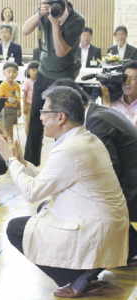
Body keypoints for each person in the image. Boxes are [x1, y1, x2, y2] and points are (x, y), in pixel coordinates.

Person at [0, 86, 129, 298]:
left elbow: (31, 192)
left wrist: (10, 160)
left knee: (16, 229)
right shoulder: (86, 138)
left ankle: (78, 278)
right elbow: (47, 179)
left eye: (44, 113)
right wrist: (20, 161)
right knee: (43, 208)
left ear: (60, 117)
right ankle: (87, 272)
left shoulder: (69, 149)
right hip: (111, 225)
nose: (40, 118)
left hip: (98, 229)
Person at [52, 77, 137, 262]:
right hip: (129, 181)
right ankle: (130, 247)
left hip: (131, 188)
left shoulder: (95, 123)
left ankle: (89, 262)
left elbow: (107, 170)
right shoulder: (98, 112)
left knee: (63, 204)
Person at [22, 0, 85, 166]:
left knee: (62, 120)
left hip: (64, 74)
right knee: (36, 116)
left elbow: (60, 51)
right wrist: (39, 14)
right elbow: (25, 30)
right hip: (43, 72)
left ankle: (62, 164)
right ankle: (30, 164)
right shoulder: (45, 9)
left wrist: (55, 24)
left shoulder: (77, 20)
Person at [102, 61, 137, 128]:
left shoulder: (109, 103)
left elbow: (132, 129)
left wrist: (109, 106)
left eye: (132, 78)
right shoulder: (113, 100)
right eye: (124, 78)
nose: (127, 81)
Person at [0, 62, 21, 140]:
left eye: (14, 72)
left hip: (14, 109)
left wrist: (20, 109)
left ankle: (11, 142)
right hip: (6, 110)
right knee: (6, 128)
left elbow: (18, 98)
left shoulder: (17, 85)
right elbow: (0, 99)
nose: (12, 74)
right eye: (9, 71)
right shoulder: (3, 85)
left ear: (17, 74)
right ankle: (7, 143)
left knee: (11, 128)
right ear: (4, 73)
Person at [22, 61, 39, 136]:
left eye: (37, 70)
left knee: (36, 123)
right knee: (28, 123)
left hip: (37, 105)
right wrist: (24, 106)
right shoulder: (27, 82)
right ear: (28, 72)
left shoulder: (39, 82)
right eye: (33, 70)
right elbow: (24, 94)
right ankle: (28, 139)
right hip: (28, 105)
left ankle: (35, 138)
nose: (35, 72)